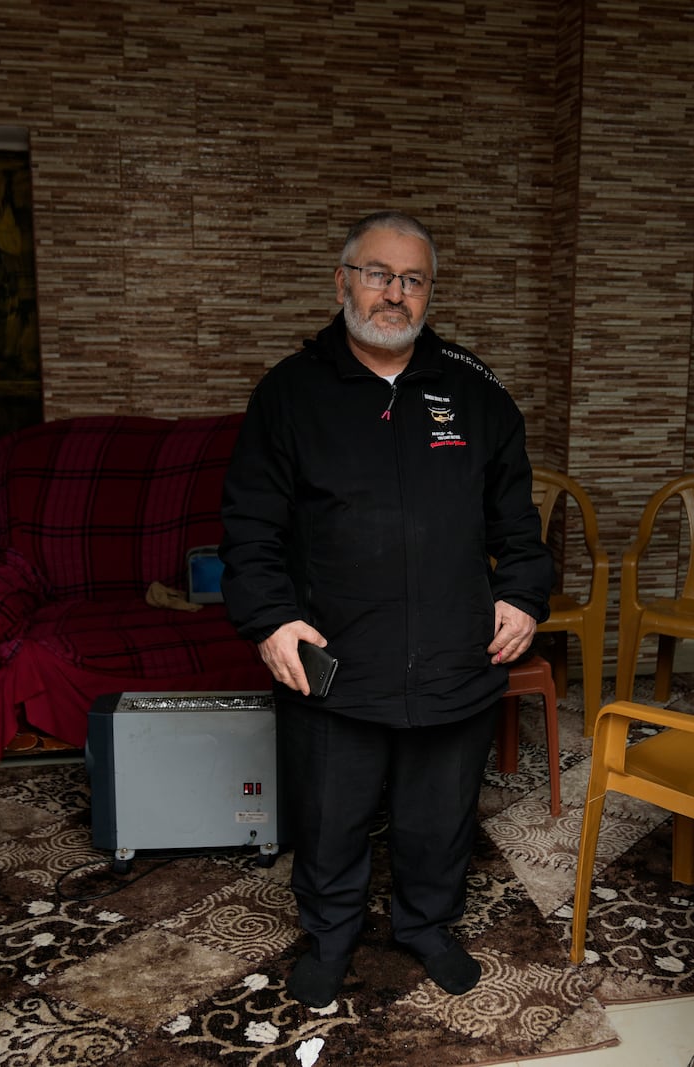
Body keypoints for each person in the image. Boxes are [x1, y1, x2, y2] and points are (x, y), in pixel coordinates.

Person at [219, 210, 554, 1008]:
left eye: (412, 279)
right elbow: (248, 525)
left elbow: (519, 522)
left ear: (429, 291)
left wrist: (522, 595)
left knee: (438, 817)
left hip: (452, 657)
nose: (394, 294)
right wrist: (270, 619)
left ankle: (427, 926)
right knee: (330, 818)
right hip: (333, 660)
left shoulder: (476, 391)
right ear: (342, 281)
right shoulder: (290, 393)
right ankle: (331, 934)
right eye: (377, 274)